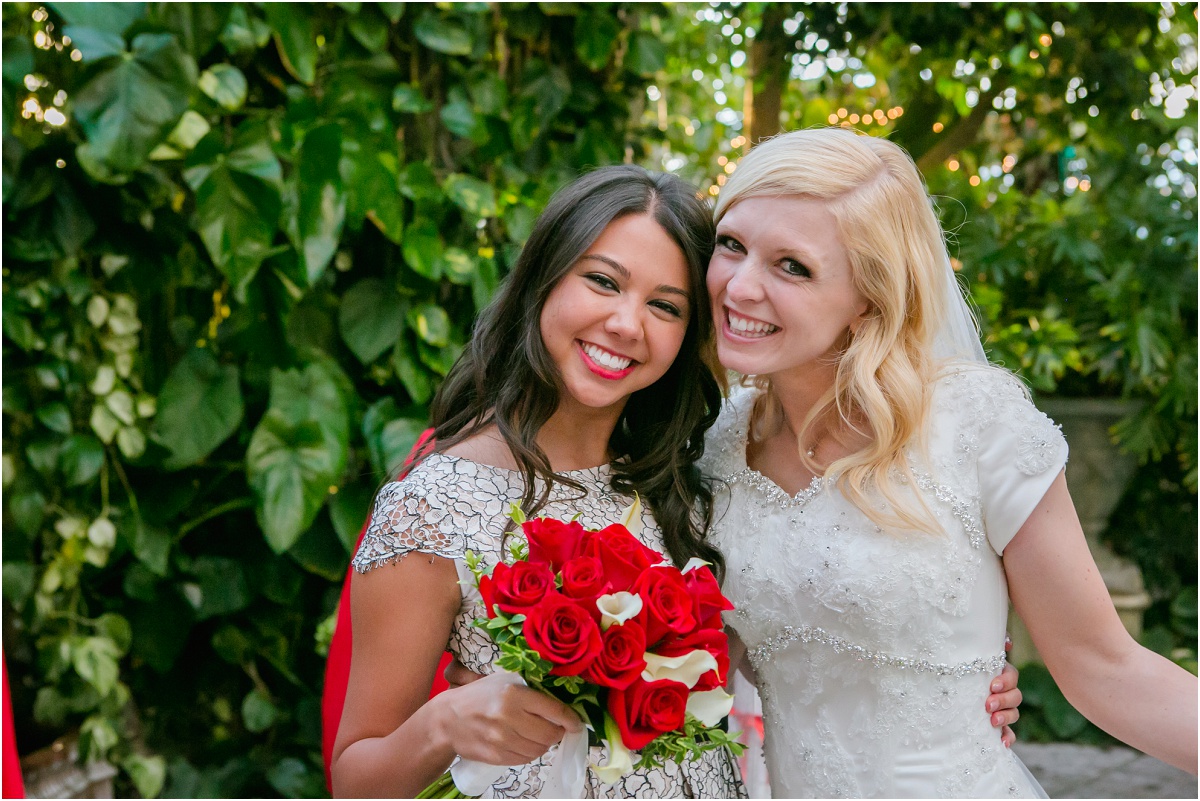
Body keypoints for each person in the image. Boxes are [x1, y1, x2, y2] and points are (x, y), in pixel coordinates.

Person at [698, 126, 1198, 797]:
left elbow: (1106, 668)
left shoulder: (975, 425)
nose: (740, 286)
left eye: (793, 266)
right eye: (731, 244)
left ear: (869, 296)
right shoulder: (711, 447)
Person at [330, 165, 746, 798]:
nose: (628, 324)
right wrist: (444, 723)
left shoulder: (684, 488)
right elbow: (355, 782)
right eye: (603, 281)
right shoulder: (433, 507)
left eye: (665, 306)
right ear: (542, 281)